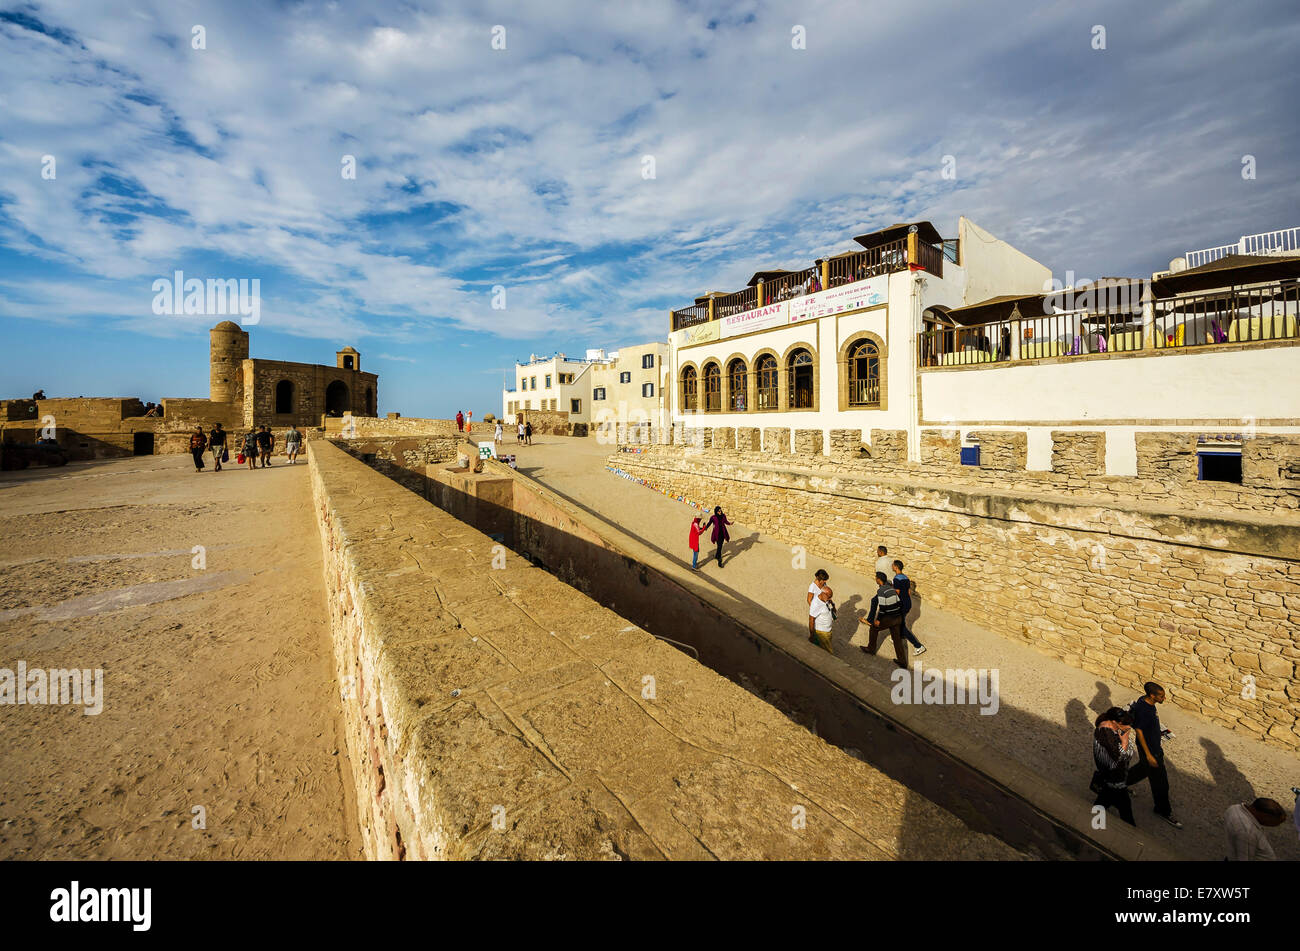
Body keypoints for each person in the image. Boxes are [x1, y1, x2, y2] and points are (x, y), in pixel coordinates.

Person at [1126, 682, 1183, 829]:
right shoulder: (1144, 709)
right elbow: (1139, 731)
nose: (1164, 698)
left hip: (1153, 747)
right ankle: (1163, 810)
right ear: (1152, 696)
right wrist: (1149, 755)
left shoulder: (1144, 701)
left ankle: (1119, 783)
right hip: (1151, 751)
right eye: (1161, 696)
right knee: (1161, 783)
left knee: (1141, 770)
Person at [1091, 707, 1138, 826]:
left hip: (1112, 776)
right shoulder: (1106, 734)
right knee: (1125, 808)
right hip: (1114, 776)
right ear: (1114, 722)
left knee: (1104, 800)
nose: (1128, 729)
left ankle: (1095, 822)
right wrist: (1125, 741)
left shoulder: (1111, 729)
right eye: (1125, 726)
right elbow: (1121, 756)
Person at [854, 571, 907, 667]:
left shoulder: (881, 591)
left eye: (876, 578)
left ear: (879, 580)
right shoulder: (891, 589)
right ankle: (902, 661)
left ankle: (871, 649)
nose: (875, 579)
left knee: (874, 628)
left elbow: (882, 607)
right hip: (898, 617)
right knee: (897, 639)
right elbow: (899, 603)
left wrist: (878, 619)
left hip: (890, 618)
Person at [892, 559, 926, 655]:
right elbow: (908, 592)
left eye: (893, 565)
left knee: (901, 625)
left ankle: (918, 646)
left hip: (901, 604)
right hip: (908, 603)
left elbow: (897, 593)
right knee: (900, 621)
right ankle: (900, 636)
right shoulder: (906, 578)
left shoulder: (896, 579)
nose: (892, 566)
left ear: (896, 567)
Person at [807, 569, 834, 653]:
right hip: (817, 608)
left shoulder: (824, 584)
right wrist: (815, 609)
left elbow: (826, 594)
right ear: (819, 579)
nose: (825, 582)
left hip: (822, 606)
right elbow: (809, 599)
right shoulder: (812, 586)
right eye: (824, 580)